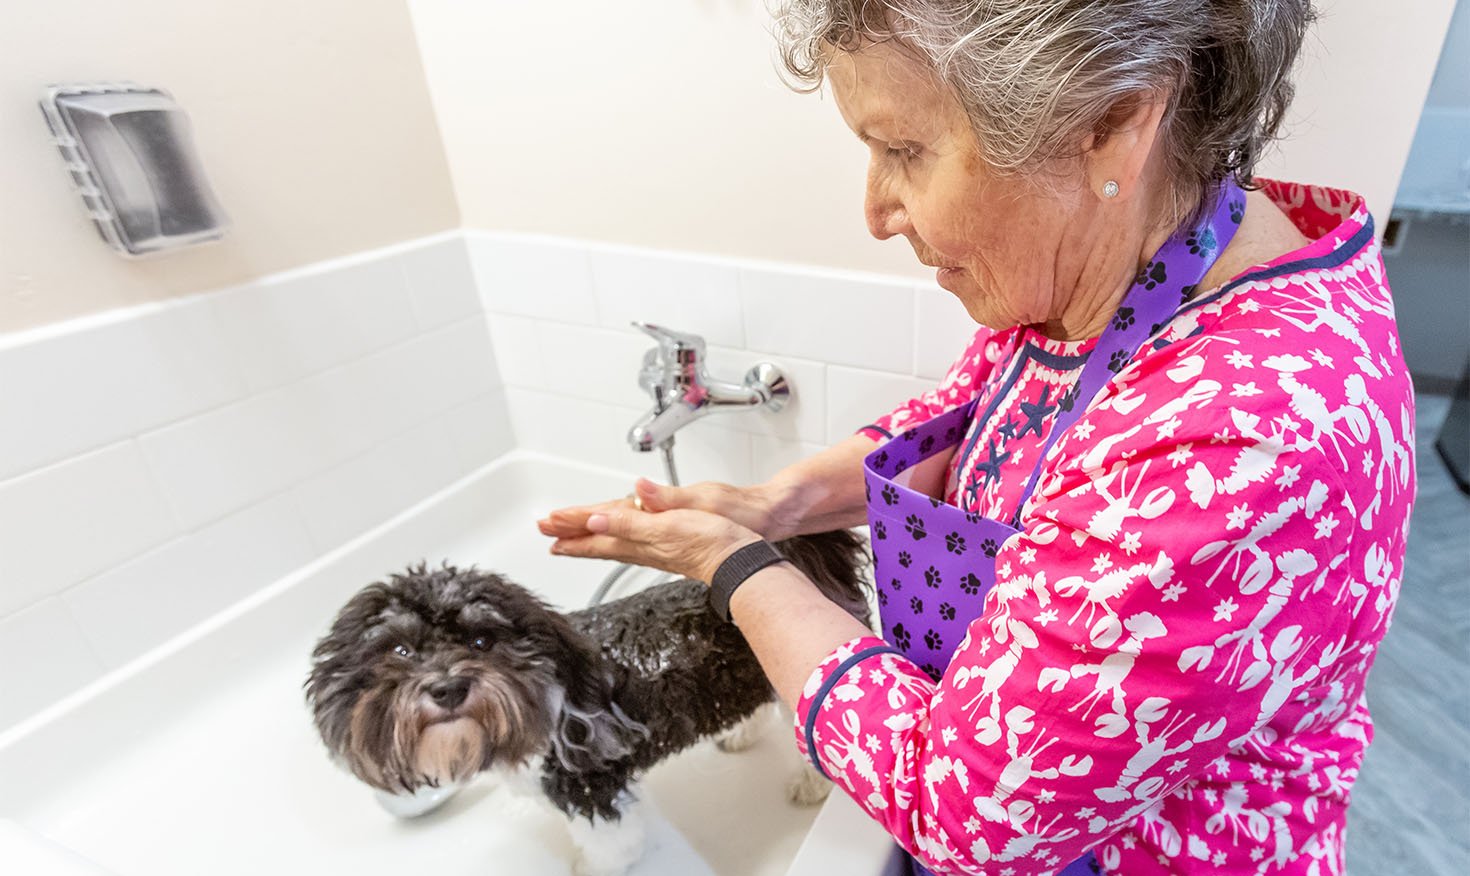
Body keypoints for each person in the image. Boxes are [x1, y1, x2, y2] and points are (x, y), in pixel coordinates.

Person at [538, 1, 1416, 873]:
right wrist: (781, 500)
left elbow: (971, 812)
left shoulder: (1239, 436)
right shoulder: (1110, 262)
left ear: (1115, 124)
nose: (877, 211)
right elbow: (968, 417)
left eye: (904, 150)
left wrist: (736, 567)